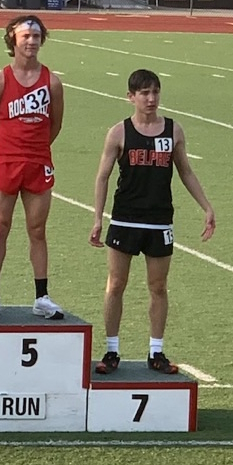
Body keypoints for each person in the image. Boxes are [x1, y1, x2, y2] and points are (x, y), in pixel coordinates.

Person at [90, 69, 215, 375]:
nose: (151, 98)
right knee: (116, 284)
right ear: (130, 97)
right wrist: (97, 218)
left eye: (155, 92)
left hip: (159, 220)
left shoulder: (173, 131)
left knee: (158, 287)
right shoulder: (119, 132)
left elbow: (185, 171)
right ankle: (111, 351)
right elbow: (103, 176)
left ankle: (156, 352)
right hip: (125, 219)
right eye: (144, 93)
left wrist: (206, 206)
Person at [0, 15, 65, 320]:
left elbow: (55, 124)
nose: (31, 41)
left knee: (37, 229)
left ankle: (41, 296)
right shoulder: (0, 80)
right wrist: (2, 150)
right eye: (25, 36)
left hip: (38, 162)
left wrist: (36, 148)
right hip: (5, 161)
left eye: (36, 35)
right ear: (12, 40)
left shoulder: (52, 81)